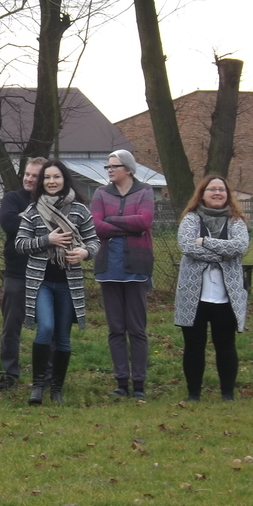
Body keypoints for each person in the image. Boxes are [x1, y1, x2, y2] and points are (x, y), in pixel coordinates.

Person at [15, 160, 99, 405]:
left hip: (68, 283)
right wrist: (47, 240)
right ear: (41, 182)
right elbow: (20, 244)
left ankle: (56, 389)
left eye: (56, 177)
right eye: (47, 177)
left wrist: (85, 253)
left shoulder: (80, 210)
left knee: (63, 336)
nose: (51, 181)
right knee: (46, 328)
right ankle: (37, 387)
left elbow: (94, 241)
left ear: (64, 180)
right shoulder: (32, 211)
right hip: (41, 282)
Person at [174, 175, 249, 402]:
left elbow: (240, 246)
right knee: (194, 346)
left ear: (227, 194)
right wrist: (223, 254)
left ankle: (227, 393)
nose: (217, 193)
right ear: (202, 194)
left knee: (226, 345)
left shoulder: (236, 221)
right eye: (212, 189)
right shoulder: (191, 218)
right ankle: (193, 394)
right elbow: (187, 246)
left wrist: (205, 241)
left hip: (226, 297)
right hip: (193, 296)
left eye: (221, 189)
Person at [90, 149, 155, 399]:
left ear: (127, 169)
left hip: (137, 266)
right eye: (107, 166)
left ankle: (139, 384)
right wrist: (129, 227)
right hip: (108, 268)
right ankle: (121, 383)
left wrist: (112, 220)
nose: (109, 170)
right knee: (116, 329)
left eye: (114, 166)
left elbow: (144, 221)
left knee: (137, 329)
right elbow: (96, 225)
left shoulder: (145, 191)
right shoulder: (100, 193)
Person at [0, 157, 45, 391]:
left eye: (35, 176)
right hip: (16, 272)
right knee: (11, 326)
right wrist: (38, 222)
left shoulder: (52, 199)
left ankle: (46, 374)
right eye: (27, 174)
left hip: (45, 273)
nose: (29, 179)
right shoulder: (12, 198)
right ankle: (9, 374)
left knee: (48, 326)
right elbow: (8, 224)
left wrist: (24, 217)